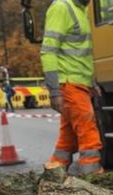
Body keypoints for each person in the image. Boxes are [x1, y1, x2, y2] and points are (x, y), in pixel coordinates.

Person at [41, 0, 102, 174]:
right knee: (88, 130)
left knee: (67, 138)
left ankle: (55, 172)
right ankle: (93, 174)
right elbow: (48, 52)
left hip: (78, 83)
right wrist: (54, 90)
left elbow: (82, 55)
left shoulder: (81, 10)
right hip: (69, 83)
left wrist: (91, 83)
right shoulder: (62, 7)